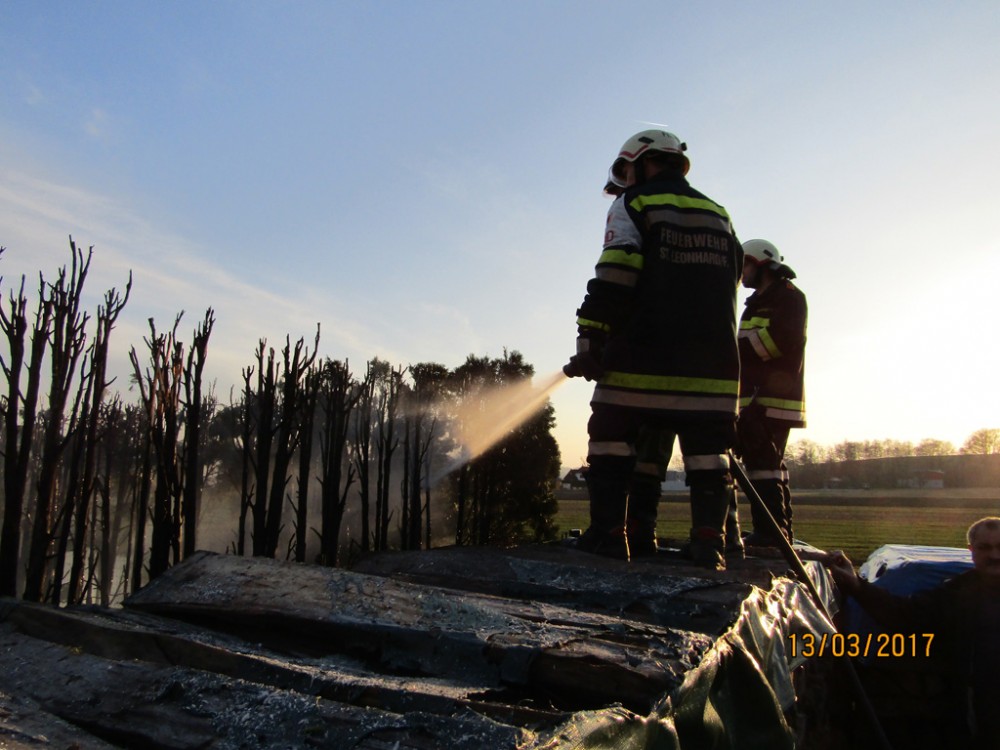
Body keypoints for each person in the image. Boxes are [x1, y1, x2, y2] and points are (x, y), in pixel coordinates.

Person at [564, 129, 742, 568]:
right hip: (714, 368)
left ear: (642, 161)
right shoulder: (718, 213)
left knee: (610, 440)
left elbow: (617, 271)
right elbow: (729, 280)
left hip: (641, 359)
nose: (625, 182)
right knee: (708, 457)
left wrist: (591, 335)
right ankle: (708, 546)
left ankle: (609, 536)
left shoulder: (633, 204)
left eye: (627, 172)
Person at [824, 517, 1000, 748]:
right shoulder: (959, 593)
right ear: (971, 551)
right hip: (982, 708)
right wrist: (856, 585)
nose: (995, 555)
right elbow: (905, 614)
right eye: (985, 548)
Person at [735, 239, 807, 546]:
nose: (741, 275)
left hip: (773, 397)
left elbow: (779, 340)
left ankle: (771, 535)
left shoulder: (788, 297)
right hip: (755, 397)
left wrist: (730, 350)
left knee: (764, 465)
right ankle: (776, 532)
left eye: (744, 267)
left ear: (760, 262)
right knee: (763, 464)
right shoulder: (757, 301)